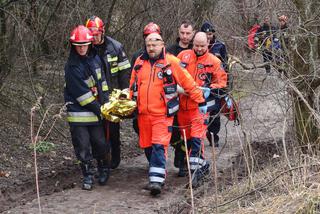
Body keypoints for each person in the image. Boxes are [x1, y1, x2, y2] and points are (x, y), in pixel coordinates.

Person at [129, 32, 206, 196]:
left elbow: (188, 83)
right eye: (148, 44)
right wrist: (129, 103)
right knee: (148, 147)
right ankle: (156, 174)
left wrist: (201, 101)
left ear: (162, 45)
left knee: (158, 145)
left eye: (154, 44)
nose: (151, 48)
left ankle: (156, 181)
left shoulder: (171, 62)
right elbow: (133, 84)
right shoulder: (140, 62)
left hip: (162, 114)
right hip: (143, 114)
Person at [177, 32, 227, 187]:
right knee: (186, 139)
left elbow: (222, 83)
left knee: (197, 137)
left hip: (201, 106)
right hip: (182, 106)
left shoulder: (214, 61)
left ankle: (196, 174)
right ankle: (202, 166)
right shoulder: (183, 56)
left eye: (202, 46)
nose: (199, 48)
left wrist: (208, 89)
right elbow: (172, 75)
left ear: (208, 44)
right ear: (193, 43)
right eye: (196, 45)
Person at [64, 25, 110, 190]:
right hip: (79, 114)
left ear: (90, 43)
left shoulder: (96, 59)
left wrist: (107, 103)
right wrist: (101, 109)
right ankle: (88, 176)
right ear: (73, 45)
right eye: (78, 45)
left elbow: (103, 83)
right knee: (82, 146)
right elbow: (82, 94)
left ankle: (104, 169)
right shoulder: (71, 67)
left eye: (84, 44)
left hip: (97, 111)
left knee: (100, 143)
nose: (82, 48)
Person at [86, 16, 131, 169]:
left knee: (113, 128)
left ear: (103, 31)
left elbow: (125, 71)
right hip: (94, 95)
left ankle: (115, 155)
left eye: (97, 34)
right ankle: (100, 157)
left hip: (113, 94)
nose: (94, 38)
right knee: (95, 128)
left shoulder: (115, 47)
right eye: (92, 35)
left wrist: (125, 93)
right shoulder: (85, 47)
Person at [166, 20, 195, 177]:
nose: (185, 36)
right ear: (178, 33)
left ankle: (184, 161)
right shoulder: (169, 51)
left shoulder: (195, 49)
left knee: (187, 131)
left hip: (189, 97)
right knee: (174, 131)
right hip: (172, 95)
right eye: (182, 33)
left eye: (188, 33)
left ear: (192, 33)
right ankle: (178, 151)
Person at [201, 21, 229, 148]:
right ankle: (199, 135)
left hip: (216, 85)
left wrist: (226, 86)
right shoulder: (197, 46)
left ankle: (213, 136)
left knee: (215, 111)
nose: (208, 37)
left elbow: (226, 65)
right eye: (205, 34)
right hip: (200, 84)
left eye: (210, 34)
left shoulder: (220, 46)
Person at [130, 22, 162, 134]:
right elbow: (132, 80)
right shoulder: (138, 57)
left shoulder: (166, 57)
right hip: (141, 105)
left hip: (160, 108)